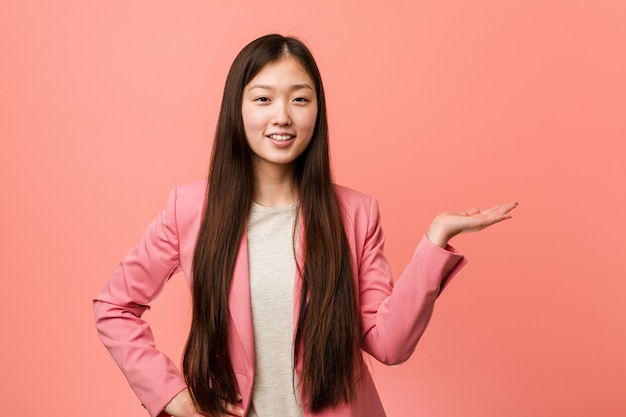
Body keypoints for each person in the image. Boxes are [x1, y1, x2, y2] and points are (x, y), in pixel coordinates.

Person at [93, 34, 517, 417]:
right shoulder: (190, 208)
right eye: (263, 99)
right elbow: (114, 307)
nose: (282, 117)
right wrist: (172, 396)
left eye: (300, 99)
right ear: (236, 109)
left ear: (318, 110)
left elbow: (389, 344)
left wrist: (436, 239)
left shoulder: (355, 213)